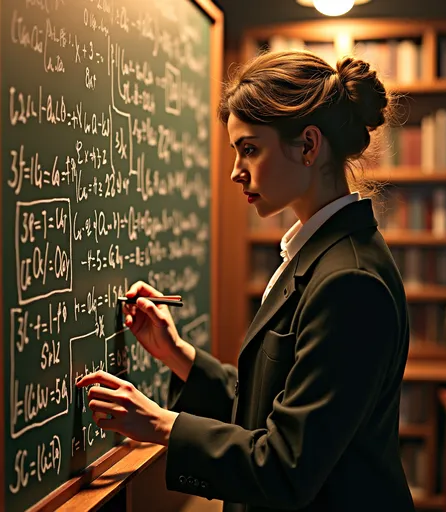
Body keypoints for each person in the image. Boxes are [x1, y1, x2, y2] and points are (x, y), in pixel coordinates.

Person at [77, 50, 416, 512]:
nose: (236, 170)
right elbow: (274, 404)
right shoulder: (317, 253)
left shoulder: (349, 281)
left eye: (250, 148)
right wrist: (179, 355)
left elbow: (285, 466)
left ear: (308, 146)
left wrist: (163, 425)